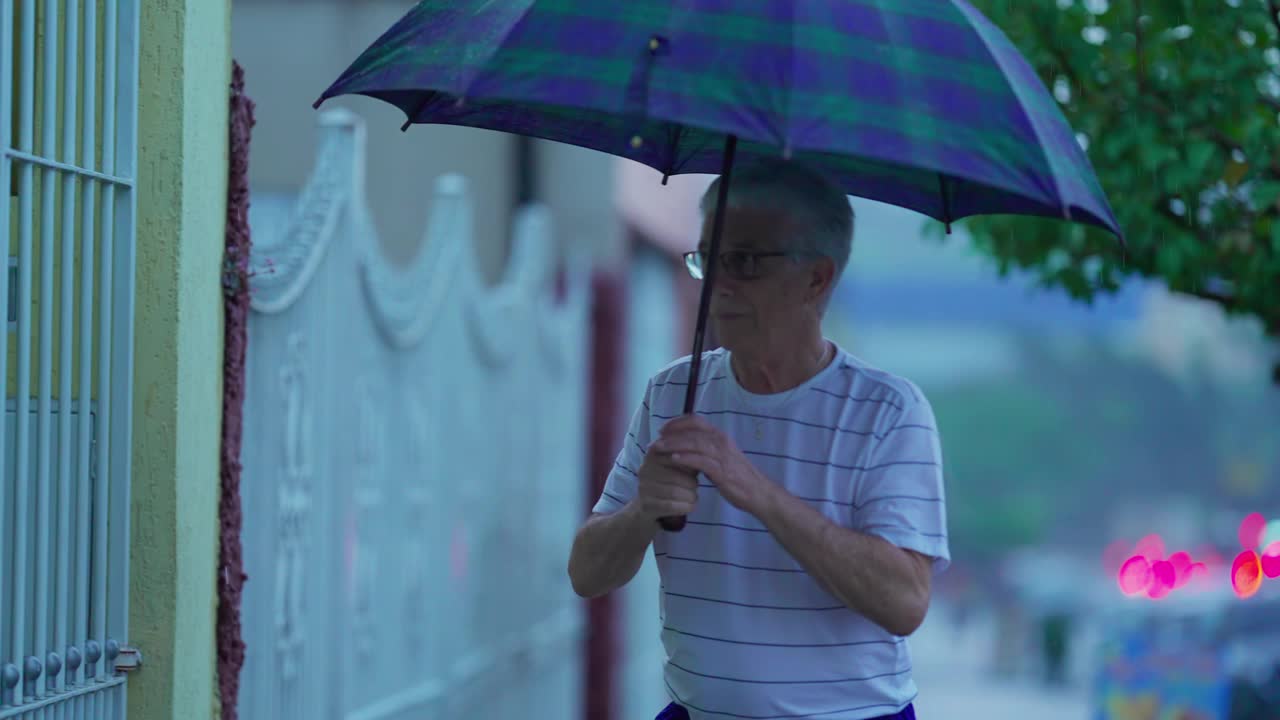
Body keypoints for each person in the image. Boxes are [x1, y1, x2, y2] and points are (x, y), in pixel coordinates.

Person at [567, 159, 949, 720]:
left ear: (817, 278)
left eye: (743, 262)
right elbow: (587, 575)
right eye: (708, 259)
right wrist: (642, 511)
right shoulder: (673, 392)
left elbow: (905, 603)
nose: (718, 285)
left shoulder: (888, 412)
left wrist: (753, 487)